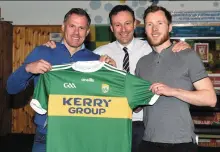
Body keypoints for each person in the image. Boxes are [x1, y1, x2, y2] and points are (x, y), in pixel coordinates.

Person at [44, 5, 191, 152]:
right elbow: (82, 82)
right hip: (110, 123)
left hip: (143, 123)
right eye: (117, 25)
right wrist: (52, 47)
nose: (123, 29)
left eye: (127, 23)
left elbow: (170, 53)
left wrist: (182, 46)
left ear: (135, 24)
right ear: (111, 28)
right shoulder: (99, 54)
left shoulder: (152, 49)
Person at [6, 8, 115, 152]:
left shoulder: (95, 60)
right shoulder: (42, 52)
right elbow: (11, 88)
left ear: (87, 32)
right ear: (63, 27)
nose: (76, 32)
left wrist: (111, 71)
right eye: (72, 26)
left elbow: (106, 96)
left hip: (82, 136)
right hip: (47, 136)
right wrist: (27, 69)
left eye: (81, 28)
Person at [136, 5, 217, 152]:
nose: (154, 29)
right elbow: (137, 107)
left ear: (170, 27)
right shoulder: (142, 63)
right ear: (145, 29)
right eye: (149, 24)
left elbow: (211, 99)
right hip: (148, 142)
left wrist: (173, 91)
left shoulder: (187, 56)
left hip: (181, 143)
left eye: (160, 23)